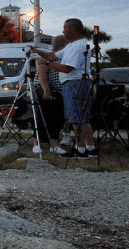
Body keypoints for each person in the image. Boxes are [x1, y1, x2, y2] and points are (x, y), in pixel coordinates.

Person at [30, 19, 94, 158]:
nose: (63, 30)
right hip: (71, 84)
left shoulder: (78, 46)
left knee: (75, 118)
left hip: (75, 83)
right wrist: (38, 52)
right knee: (79, 118)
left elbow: (67, 68)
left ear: (73, 29)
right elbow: (53, 56)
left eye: (65, 28)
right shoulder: (71, 46)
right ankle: (88, 147)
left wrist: (47, 62)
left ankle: (80, 149)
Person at [35, 35, 68, 154]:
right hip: (47, 91)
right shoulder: (49, 57)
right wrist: (46, 90)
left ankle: (54, 145)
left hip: (58, 93)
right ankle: (37, 143)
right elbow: (41, 74)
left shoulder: (59, 57)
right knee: (43, 117)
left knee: (57, 119)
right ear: (61, 46)